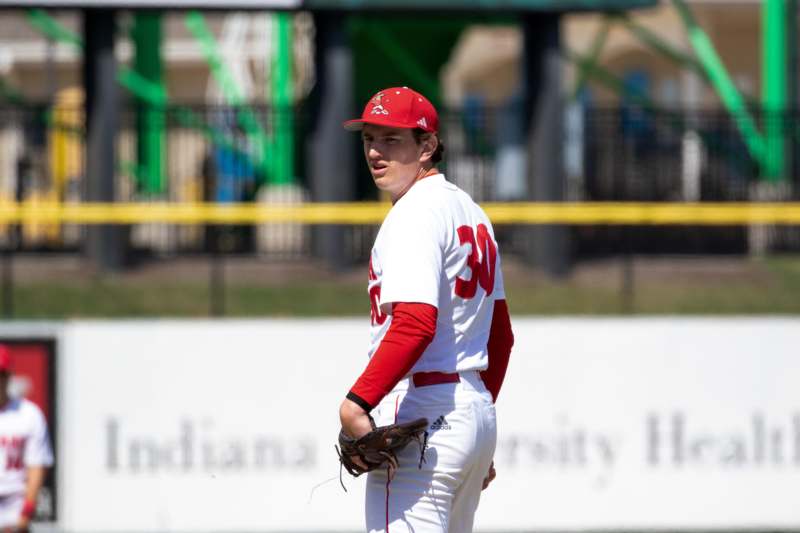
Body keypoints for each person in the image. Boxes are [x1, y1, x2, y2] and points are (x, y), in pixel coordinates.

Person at [338, 87, 514, 532]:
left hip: (422, 410)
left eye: (392, 139)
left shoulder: (415, 213)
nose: (376, 152)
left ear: (428, 145)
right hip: (471, 410)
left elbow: (415, 322)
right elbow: (500, 336)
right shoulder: (471, 213)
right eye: (369, 139)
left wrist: (357, 404)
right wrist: (475, 431)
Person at [0, 345, 53, 533]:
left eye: (1, 374)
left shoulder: (28, 414)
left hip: (14, 502)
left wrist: (27, 510)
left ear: (8, 376)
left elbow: (36, 465)